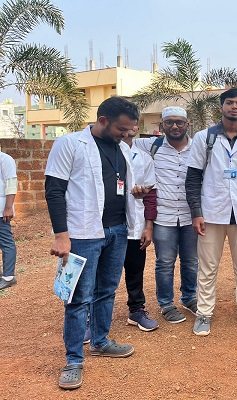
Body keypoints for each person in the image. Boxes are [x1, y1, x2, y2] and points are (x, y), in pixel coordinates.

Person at [45, 96, 145, 389]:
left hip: (117, 230)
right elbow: (54, 190)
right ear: (103, 120)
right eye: (122, 129)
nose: (126, 135)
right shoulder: (69, 144)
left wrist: (135, 192)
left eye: (130, 130)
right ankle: (73, 360)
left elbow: (116, 184)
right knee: (78, 298)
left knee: (107, 291)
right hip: (82, 233)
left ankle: (100, 341)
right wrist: (61, 235)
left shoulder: (122, 149)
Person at [185, 87, 237, 336]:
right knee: (208, 267)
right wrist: (196, 212)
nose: (234, 107)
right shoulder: (204, 138)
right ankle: (204, 313)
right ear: (222, 107)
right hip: (211, 213)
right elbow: (193, 177)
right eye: (230, 103)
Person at [135, 107, 198, 324]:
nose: (175, 126)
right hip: (163, 216)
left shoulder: (198, 148)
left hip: (191, 216)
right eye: (169, 122)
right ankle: (166, 304)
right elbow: (124, 143)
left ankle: (189, 298)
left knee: (191, 261)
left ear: (187, 125)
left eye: (179, 122)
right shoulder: (149, 146)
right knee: (165, 262)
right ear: (161, 126)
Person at [121, 126, 158, 331]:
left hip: (135, 225)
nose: (130, 127)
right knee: (100, 273)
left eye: (134, 122)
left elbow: (151, 195)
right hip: (107, 224)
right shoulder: (104, 152)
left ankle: (136, 310)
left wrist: (148, 226)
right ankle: (91, 315)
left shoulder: (144, 158)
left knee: (135, 270)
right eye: (125, 122)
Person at [0, 148, 17, 290]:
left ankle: (9, 277)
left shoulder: (5, 159)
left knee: (6, 243)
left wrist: (8, 207)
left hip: (1, 210)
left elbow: (11, 184)